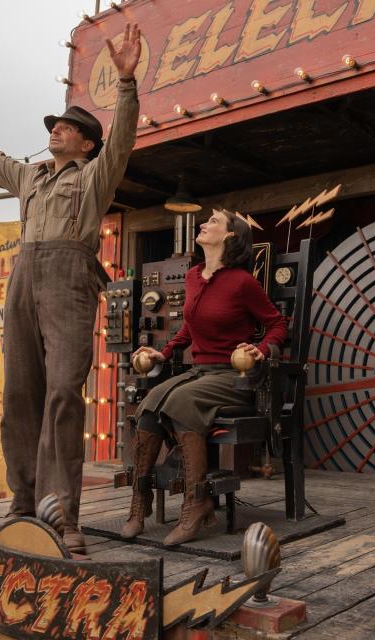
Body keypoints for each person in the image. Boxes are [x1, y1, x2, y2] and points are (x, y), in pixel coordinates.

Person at [0, 24, 142, 554]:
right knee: (18, 394)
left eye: (68, 128)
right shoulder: (30, 177)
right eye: (54, 126)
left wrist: (125, 82)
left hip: (70, 279)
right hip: (25, 278)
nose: (56, 130)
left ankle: (64, 514)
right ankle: (23, 504)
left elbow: (122, 140)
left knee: (63, 393)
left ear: (86, 143)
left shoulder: (95, 176)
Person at [124, 209, 287, 546]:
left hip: (233, 377)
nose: (203, 224)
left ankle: (196, 502)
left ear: (231, 236)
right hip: (199, 374)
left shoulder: (242, 282)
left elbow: (278, 323)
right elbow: (189, 325)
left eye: (213, 222)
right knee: (149, 406)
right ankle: (140, 502)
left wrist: (262, 350)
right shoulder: (193, 276)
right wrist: (165, 353)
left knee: (182, 401)